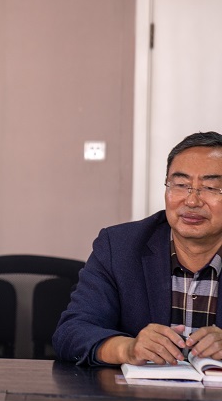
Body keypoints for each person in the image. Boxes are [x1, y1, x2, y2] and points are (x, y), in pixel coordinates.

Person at [53, 131, 222, 366]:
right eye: (181, 185)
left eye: (211, 188)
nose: (192, 201)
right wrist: (128, 349)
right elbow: (71, 332)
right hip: (139, 390)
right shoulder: (119, 247)